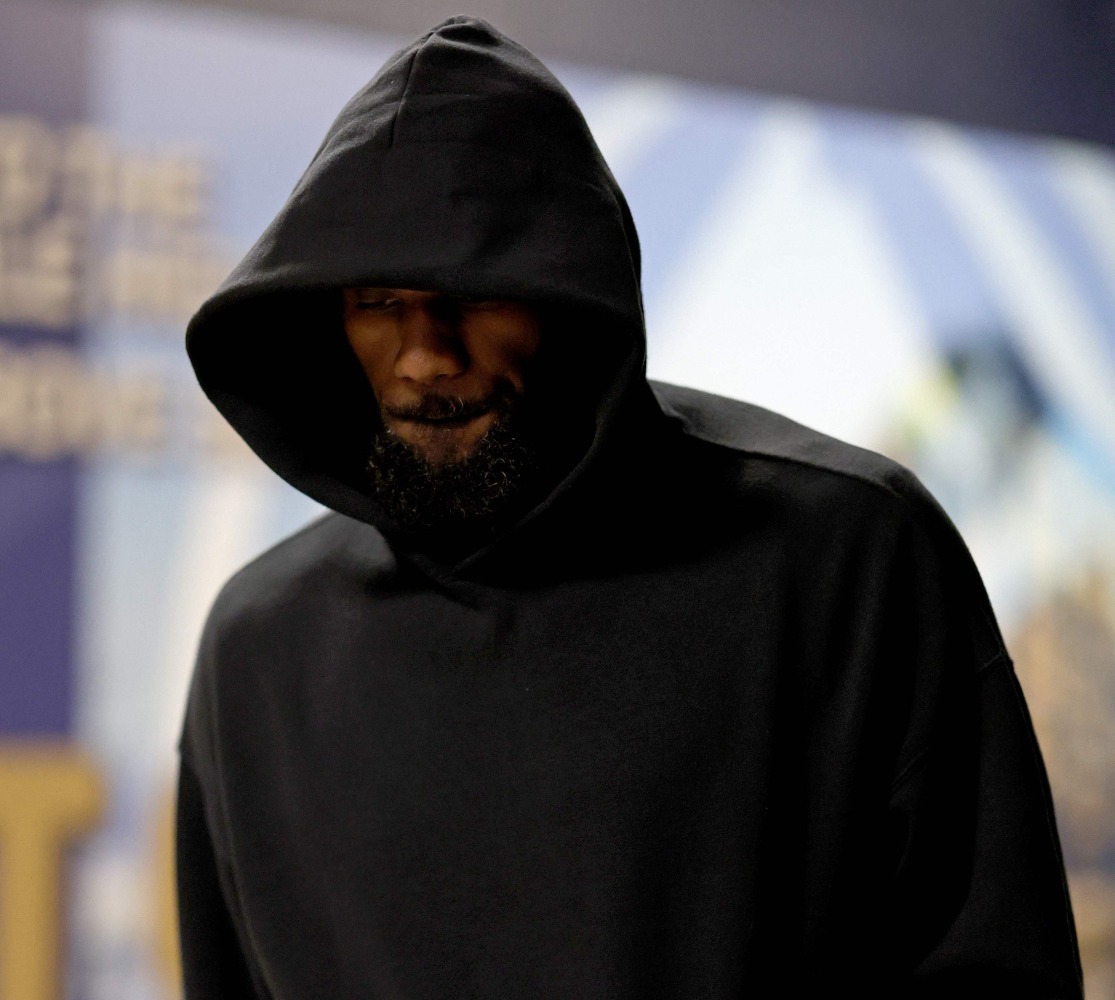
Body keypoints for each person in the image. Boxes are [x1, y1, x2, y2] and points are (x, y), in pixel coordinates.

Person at [177, 15, 1083, 999]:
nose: (426, 354)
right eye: (379, 303)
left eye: (471, 294)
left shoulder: (846, 558)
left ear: (569, 294)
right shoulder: (257, 645)